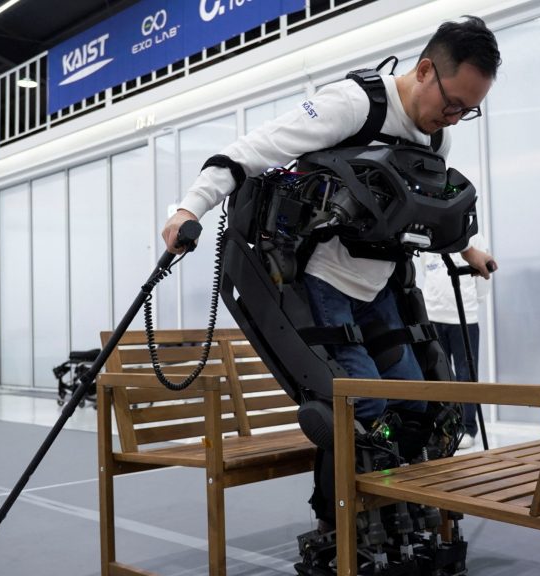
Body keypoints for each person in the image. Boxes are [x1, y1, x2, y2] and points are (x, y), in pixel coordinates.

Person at [162, 15, 501, 524]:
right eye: (452, 103)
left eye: (468, 111)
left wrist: (467, 248)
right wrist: (189, 209)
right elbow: (250, 151)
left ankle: (399, 519)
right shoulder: (355, 104)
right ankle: (341, 526)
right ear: (427, 69)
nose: (454, 117)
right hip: (322, 284)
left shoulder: (436, 140)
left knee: (416, 408)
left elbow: (421, 207)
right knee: (365, 409)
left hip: (383, 286)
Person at [417, 233, 494, 449]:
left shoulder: (475, 239)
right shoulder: (430, 237)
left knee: (466, 374)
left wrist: (473, 304)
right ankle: (442, 428)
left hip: (464, 318)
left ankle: (467, 428)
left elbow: (483, 279)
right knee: (437, 374)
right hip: (433, 315)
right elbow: (426, 270)